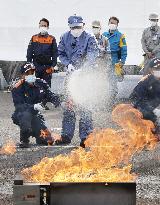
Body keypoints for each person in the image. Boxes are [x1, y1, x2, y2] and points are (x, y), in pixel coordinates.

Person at [56, 15, 98, 147]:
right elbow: (61, 53)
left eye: (79, 27)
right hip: (71, 75)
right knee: (69, 106)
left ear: (83, 25)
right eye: (73, 27)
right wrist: (67, 64)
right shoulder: (64, 37)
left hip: (85, 77)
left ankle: (86, 137)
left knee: (85, 106)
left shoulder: (90, 37)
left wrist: (84, 69)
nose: (76, 29)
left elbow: (92, 54)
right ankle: (66, 136)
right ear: (69, 27)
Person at [11, 63, 60, 148]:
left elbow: (51, 95)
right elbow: (19, 106)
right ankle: (24, 140)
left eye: (32, 72)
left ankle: (34, 131)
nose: (31, 74)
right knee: (26, 115)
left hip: (36, 116)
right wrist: (34, 106)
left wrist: (60, 103)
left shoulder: (41, 83)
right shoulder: (17, 87)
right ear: (23, 75)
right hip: (21, 114)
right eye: (28, 73)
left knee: (48, 140)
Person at [27, 18, 58, 109]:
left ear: (47, 27)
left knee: (46, 85)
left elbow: (55, 53)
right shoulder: (34, 38)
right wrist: (29, 64)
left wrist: (53, 65)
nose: (42, 27)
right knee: (35, 84)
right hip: (36, 65)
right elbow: (29, 52)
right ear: (39, 26)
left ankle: (43, 103)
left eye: (44, 25)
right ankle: (37, 102)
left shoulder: (51, 38)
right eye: (41, 25)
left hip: (47, 66)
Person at [130, 57, 160, 139]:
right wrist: (154, 110)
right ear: (151, 70)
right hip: (139, 107)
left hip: (153, 106)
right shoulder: (145, 82)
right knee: (147, 113)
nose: (159, 70)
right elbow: (137, 100)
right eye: (156, 68)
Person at [103, 16, 127, 81]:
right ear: (108, 23)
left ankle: (114, 91)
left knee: (113, 81)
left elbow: (124, 50)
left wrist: (122, 62)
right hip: (104, 60)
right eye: (111, 23)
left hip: (114, 61)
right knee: (103, 80)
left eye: (114, 24)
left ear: (117, 25)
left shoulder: (120, 36)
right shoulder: (104, 35)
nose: (112, 25)